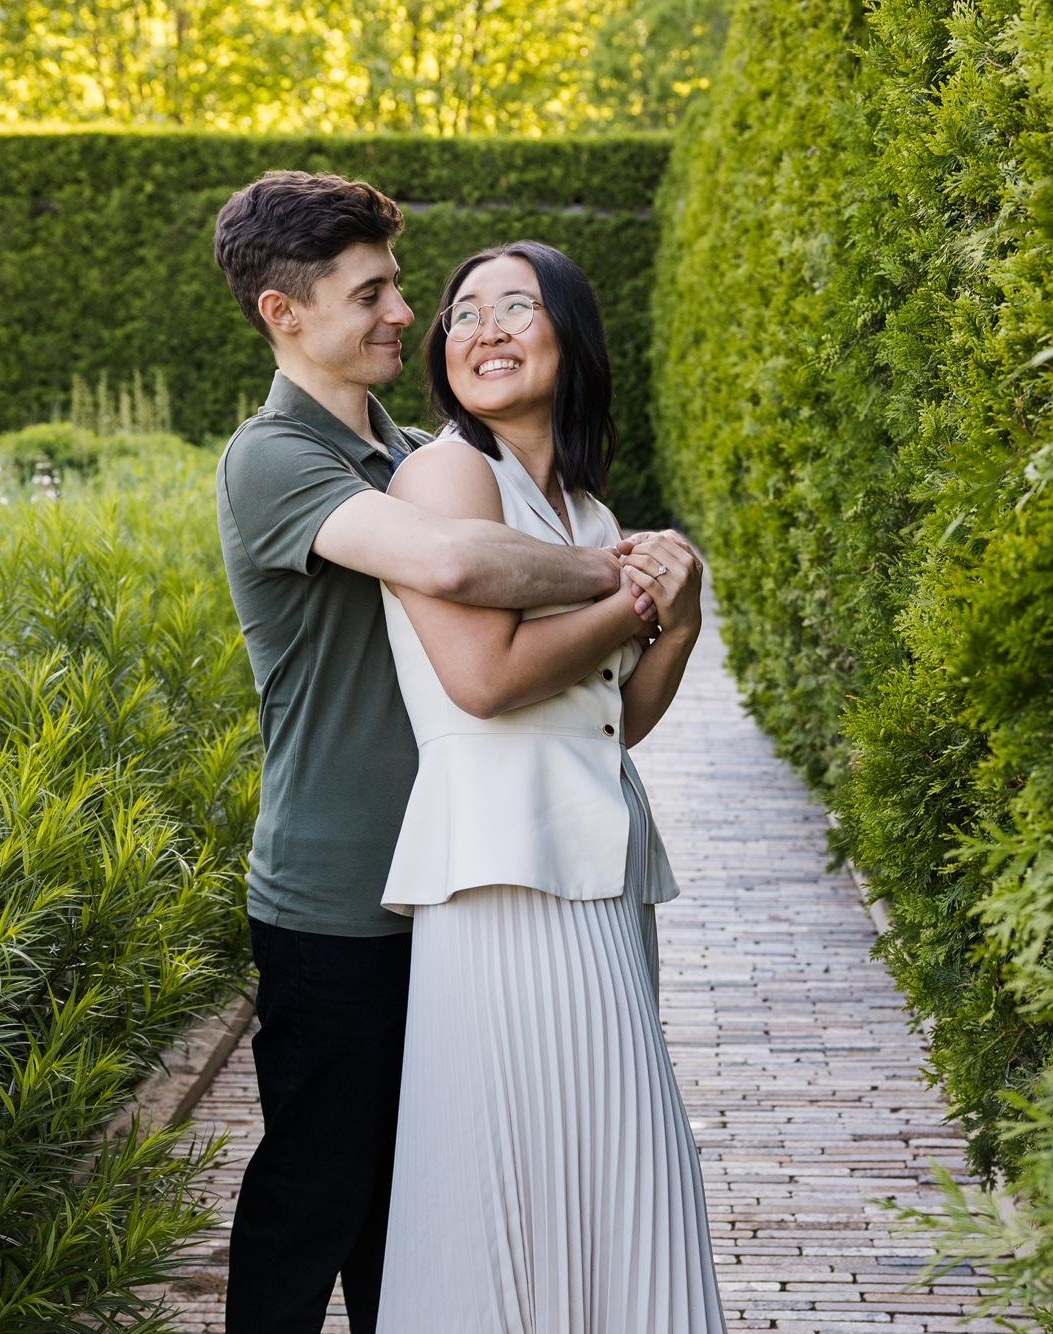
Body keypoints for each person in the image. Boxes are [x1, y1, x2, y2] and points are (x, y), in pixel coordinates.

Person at [212, 172, 664, 1332]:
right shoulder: (273, 457)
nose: (403, 313)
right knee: (316, 1194)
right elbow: (457, 565)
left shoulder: (423, 451)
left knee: (421, 1209)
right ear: (283, 313)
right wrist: (627, 574)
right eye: (370, 294)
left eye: (398, 286)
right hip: (338, 893)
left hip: (461, 881)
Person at [374, 240, 727, 1332]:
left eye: (516, 307)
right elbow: (483, 682)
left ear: (570, 335)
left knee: (611, 1163)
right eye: (462, 312)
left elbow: (611, 722)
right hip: (498, 873)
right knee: (529, 1171)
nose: (483, 328)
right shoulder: (446, 474)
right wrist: (632, 603)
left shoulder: (584, 509)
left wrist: (680, 618)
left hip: (599, 870)